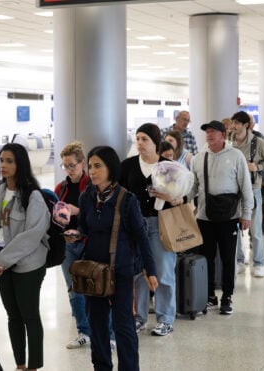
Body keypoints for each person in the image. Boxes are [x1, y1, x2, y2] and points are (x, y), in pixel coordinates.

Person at [66, 146, 157, 371]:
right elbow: (85, 228)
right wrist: (75, 235)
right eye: (90, 166)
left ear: (111, 168)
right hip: (93, 271)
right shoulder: (88, 196)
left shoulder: (127, 199)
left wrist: (151, 270)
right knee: (97, 326)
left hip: (121, 271)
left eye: (98, 166)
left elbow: (142, 238)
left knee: (123, 325)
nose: (92, 171)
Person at [0, 143, 50, 371]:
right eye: (1, 160)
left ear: (20, 164)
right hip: (0, 264)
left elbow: (31, 235)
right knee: (13, 316)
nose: (3, 165)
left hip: (28, 265)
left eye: (9, 161)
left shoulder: (33, 196)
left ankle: (33, 366)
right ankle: (20, 365)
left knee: (29, 316)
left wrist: (2, 260)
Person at [120, 123, 180, 337]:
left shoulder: (169, 166)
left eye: (144, 139)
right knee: (137, 273)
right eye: (137, 138)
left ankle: (165, 318)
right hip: (134, 226)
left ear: (155, 142)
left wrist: (171, 197)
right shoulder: (127, 166)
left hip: (160, 223)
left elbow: (183, 196)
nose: (140, 143)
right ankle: (140, 317)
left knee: (163, 270)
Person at [55, 141, 115, 350]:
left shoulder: (94, 186)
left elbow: (99, 215)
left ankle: (109, 334)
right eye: (65, 165)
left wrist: (77, 211)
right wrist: (60, 219)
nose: (69, 170)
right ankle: (84, 331)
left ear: (82, 164)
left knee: (100, 286)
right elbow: (56, 216)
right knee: (74, 289)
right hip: (68, 243)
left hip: (90, 243)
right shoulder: (60, 188)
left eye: (72, 165)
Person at [190, 120, 253, 315]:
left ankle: (227, 296)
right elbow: (193, 186)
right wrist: (181, 201)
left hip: (230, 217)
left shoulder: (236, 156)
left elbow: (246, 187)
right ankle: (209, 295)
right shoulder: (199, 158)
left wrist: (246, 214)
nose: (208, 135)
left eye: (213, 132)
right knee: (206, 258)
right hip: (204, 217)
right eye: (207, 132)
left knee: (228, 258)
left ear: (223, 135)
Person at [230, 111, 264, 278]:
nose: (234, 126)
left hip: (253, 189)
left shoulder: (257, 142)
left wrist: (257, 167)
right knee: (233, 228)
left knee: (256, 230)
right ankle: (238, 261)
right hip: (232, 190)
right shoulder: (228, 141)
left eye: (237, 123)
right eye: (233, 123)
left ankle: (258, 263)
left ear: (245, 125)